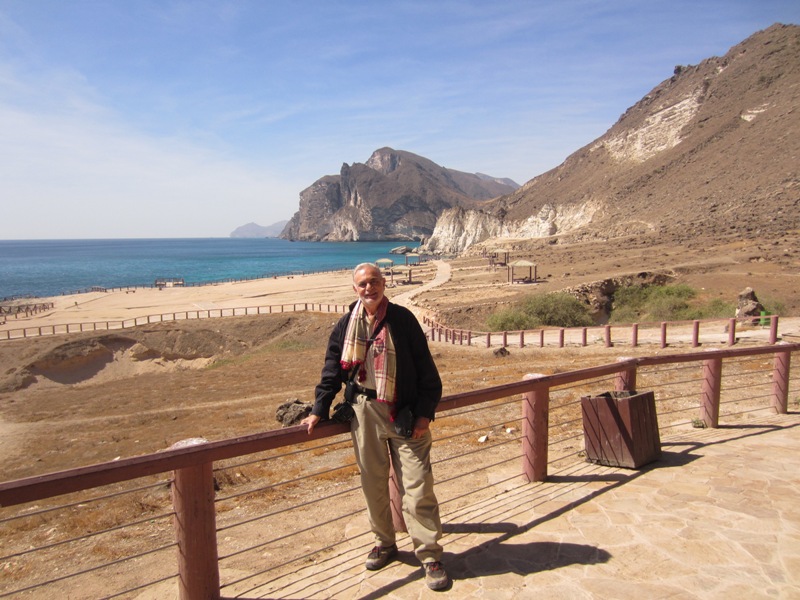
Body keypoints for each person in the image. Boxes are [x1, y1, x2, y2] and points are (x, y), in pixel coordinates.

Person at [301, 262, 449, 591]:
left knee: (418, 485)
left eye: (374, 282)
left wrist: (425, 414)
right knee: (372, 483)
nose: (369, 288)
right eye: (362, 284)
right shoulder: (345, 325)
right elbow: (332, 370)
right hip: (364, 411)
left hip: (405, 411)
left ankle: (429, 555)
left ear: (384, 283)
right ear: (354, 290)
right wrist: (318, 409)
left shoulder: (403, 320)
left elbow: (427, 371)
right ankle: (384, 542)